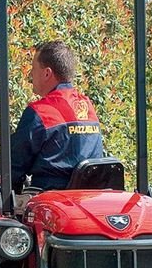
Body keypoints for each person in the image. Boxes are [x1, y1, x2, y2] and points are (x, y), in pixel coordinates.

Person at [10, 41, 104, 191]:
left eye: (33, 69)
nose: (30, 75)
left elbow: (14, 167)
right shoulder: (87, 107)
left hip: (50, 198)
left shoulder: (40, 112)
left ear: (47, 73)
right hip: (89, 197)